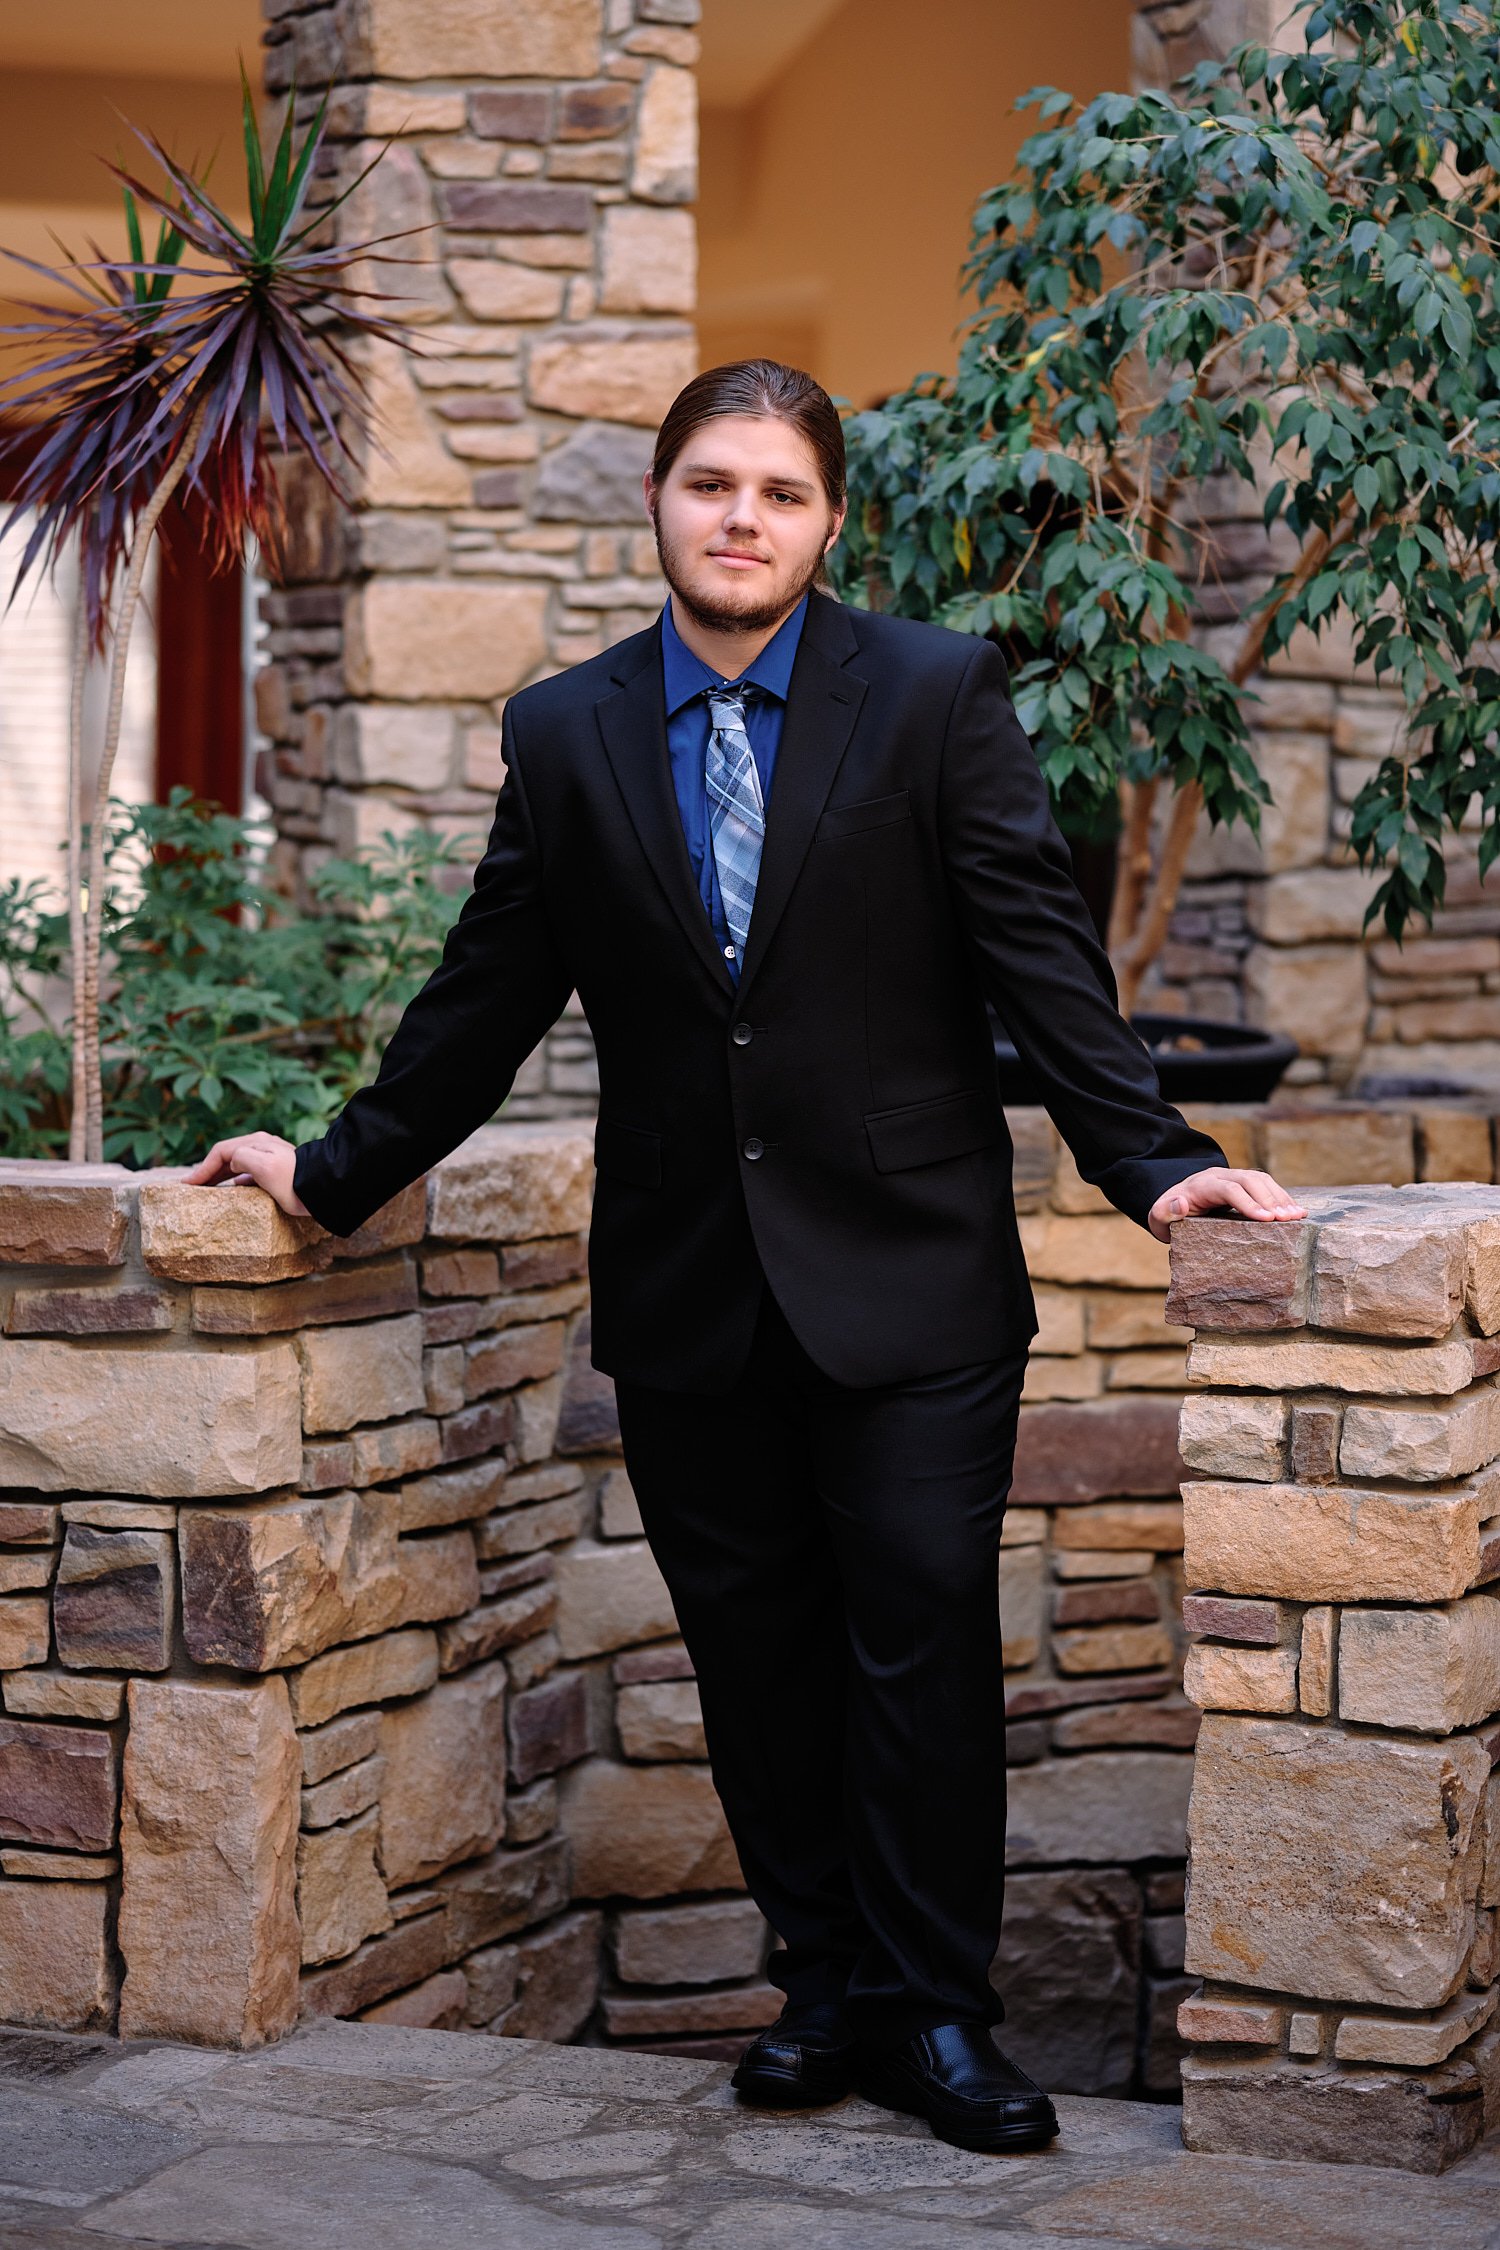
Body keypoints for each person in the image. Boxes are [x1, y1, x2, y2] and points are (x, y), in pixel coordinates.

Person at [188, 358, 1307, 2155]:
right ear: (659, 499)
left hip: (916, 1276)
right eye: (712, 483)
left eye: (779, 494)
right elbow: (487, 997)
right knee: (756, 1655)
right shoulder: (564, 730)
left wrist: (1157, 1161)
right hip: (693, 1282)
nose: (741, 518)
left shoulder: (935, 693)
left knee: (920, 1641)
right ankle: (822, 1986)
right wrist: (331, 1171)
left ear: (828, 522)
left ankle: (940, 2014)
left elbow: (1039, 958)